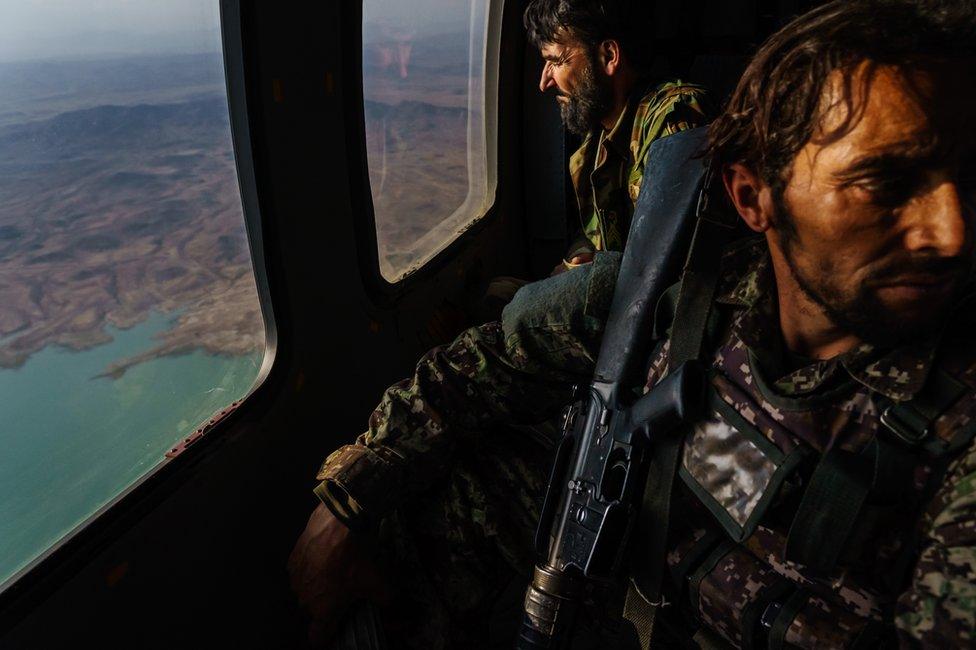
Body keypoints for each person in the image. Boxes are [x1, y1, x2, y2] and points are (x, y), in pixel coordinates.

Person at [294, 0, 976, 647]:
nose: (951, 232)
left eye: (967, 177)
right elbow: (492, 359)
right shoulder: (687, 301)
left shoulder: (954, 432)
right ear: (752, 197)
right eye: (884, 183)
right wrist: (351, 497)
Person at [483, 0, 710, 318]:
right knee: (500, 292)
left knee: (519, 313)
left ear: (608, 56)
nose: (545, 81)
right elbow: (598, 234)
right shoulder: (598, 140)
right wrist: (579, 257)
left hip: (660, 313)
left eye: (556, 61)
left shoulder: (673, 119)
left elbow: (668, 268)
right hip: (629, 298)